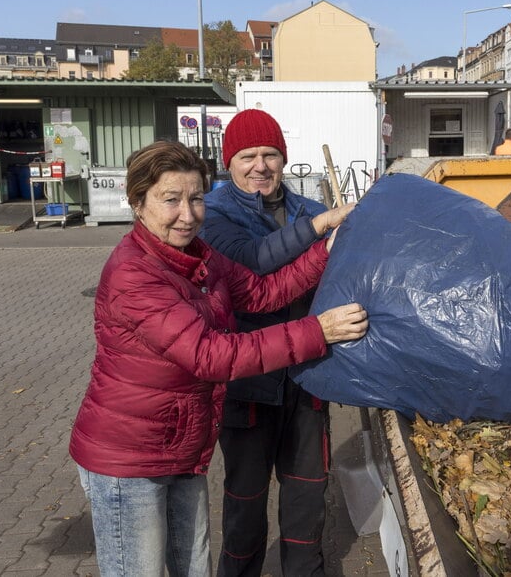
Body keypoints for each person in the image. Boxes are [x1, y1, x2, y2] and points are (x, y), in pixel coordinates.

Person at [69, 140, 368, 577]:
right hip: (129, 462)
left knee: (193, 568)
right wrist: (318, 331)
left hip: (181, 448)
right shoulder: (134, 274)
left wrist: (325, 250)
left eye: (195, 199)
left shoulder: (200, 258)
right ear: (137, 203)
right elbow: (212, 356)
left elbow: (262, 292)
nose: (187, 215)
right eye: (170, 200)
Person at [200, 109, 354, 577]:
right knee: (245, 503)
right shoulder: (213, 214)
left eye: (270, 154)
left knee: (307, 495)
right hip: (249, 382)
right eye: (248, 155)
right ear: (230, 162)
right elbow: (255, 262)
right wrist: (325, 227)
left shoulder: (308, 209)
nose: (260, 165)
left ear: (283, 159)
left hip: (307, 377)